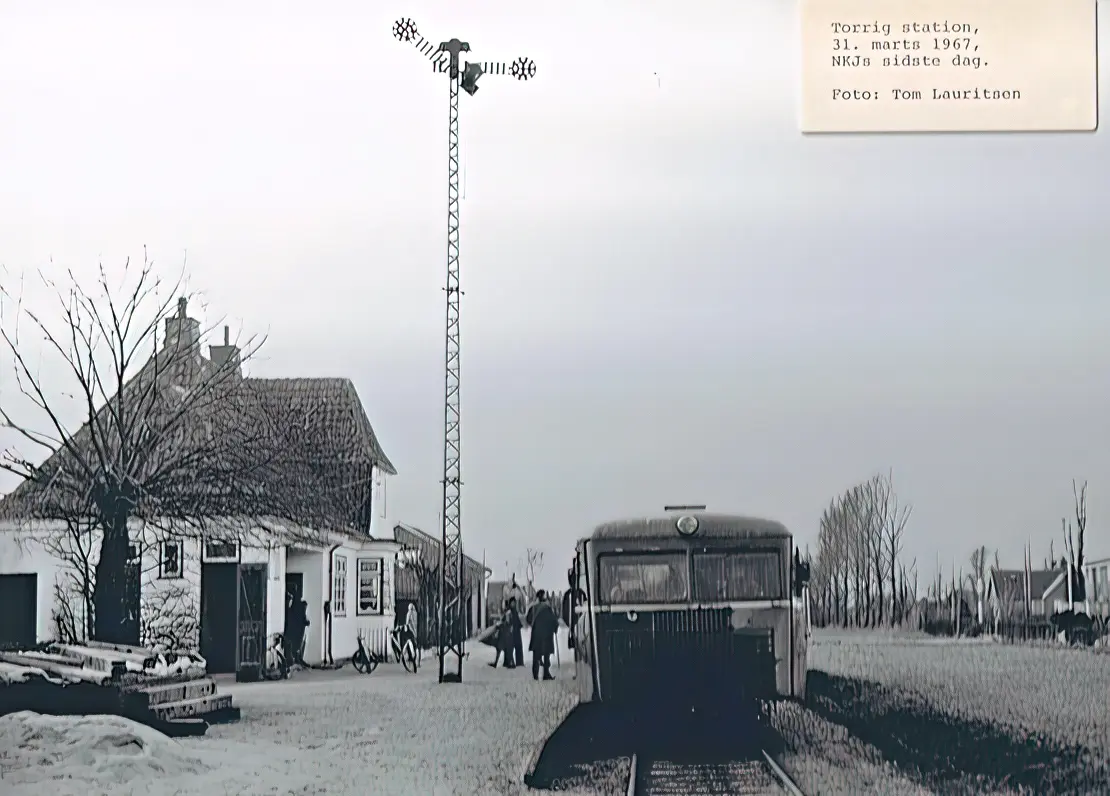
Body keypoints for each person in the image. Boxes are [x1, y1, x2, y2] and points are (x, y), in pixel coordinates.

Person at [528, 589, 558, 681]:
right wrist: (555, 628)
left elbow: (528, 619)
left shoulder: (533, 608)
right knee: (546, 655)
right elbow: (554, 620)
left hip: (536, 635)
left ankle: (535, 675)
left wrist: (534, 625)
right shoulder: (548, 608)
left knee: (536, 656)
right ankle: (546, 674)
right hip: (547, 636)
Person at [488, 602, 516, 668]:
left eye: (504, 605)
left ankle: (508, 663)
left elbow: (507, 623)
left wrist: (500, 625)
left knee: (500, 648)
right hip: (506, 634)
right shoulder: (508, 613)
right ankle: (509, 663)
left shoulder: (508, 613)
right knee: (504, 649)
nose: (503, 607)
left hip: (505, 634)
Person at [287, 599, 310, 666]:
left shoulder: (301, 613)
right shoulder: (300, 613)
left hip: (300, 632)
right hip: (298, 632)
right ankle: (297, 658)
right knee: (298, 645)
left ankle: (299, 658)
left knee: (300, 645)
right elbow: (302, 622)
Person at [508, 596, 525, 668]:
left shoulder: (515, 611)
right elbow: (507, 621)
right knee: (510, 648)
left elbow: (517, 620)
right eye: (512, 603)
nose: (513, 604)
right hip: (511, 632)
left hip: (517, 632)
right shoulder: (509, 612)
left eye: (514, 603)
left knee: (518, 647)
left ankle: (519, 662)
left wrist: (520, 625)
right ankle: (510, 662)